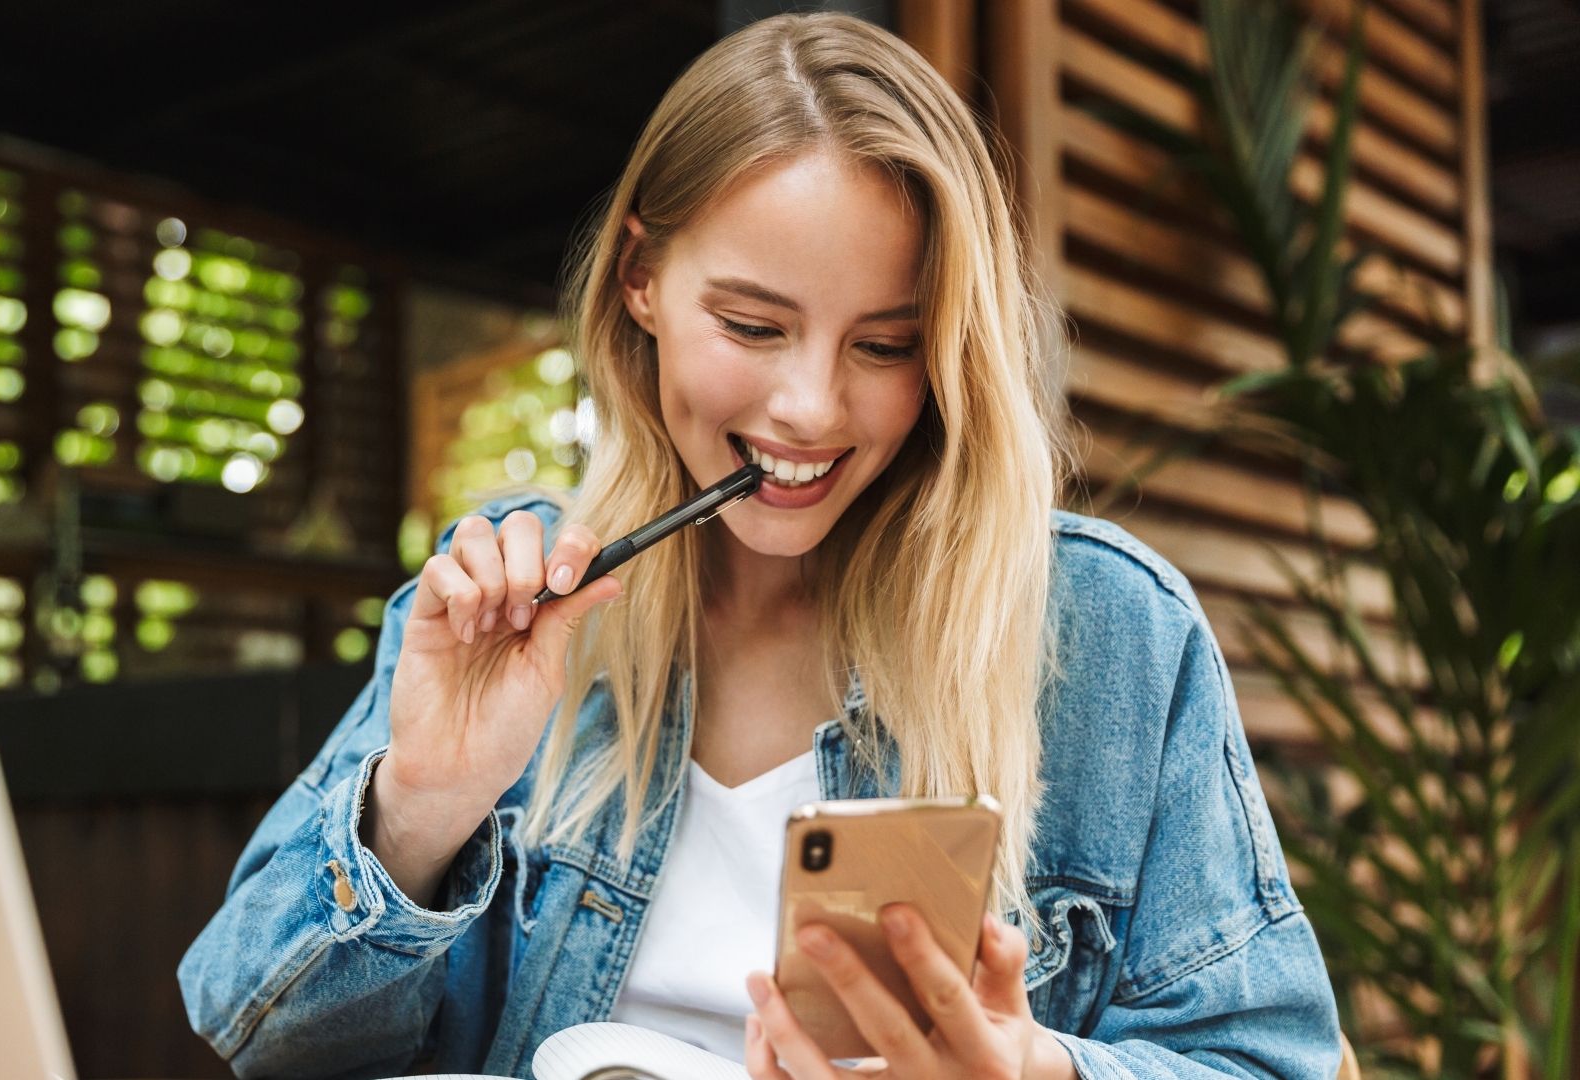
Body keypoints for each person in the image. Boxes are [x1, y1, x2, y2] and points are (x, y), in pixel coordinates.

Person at [179, 12, 1343, 1079]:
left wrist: (1039, 1073)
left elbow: (1277, 1063)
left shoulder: (1103, 631)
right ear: (640, 279)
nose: (811, 409)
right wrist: (423, 810)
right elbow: (258, 1033)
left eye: (886, 345)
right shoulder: (506, 596)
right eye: (751, 325)